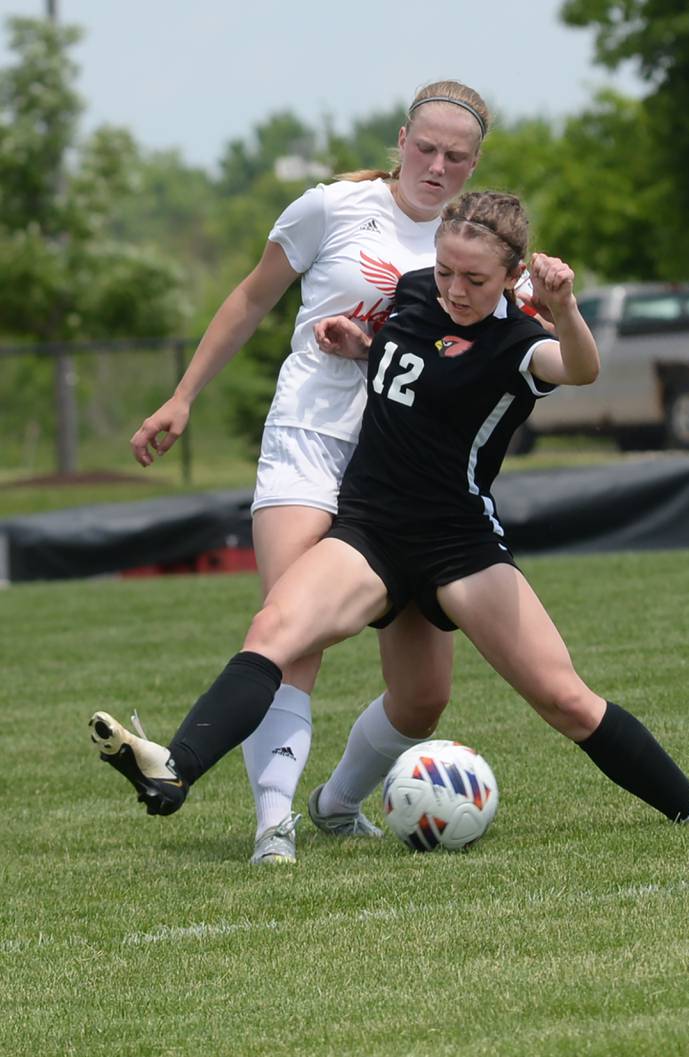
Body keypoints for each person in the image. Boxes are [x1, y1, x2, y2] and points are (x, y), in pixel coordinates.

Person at [89, 190, 689, 833]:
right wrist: (364, 345)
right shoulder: (415, 293)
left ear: (510, 275)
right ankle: (175, 768)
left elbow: (580, 369)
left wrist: (565, 308)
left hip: (458, 544)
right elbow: (416, 364)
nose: (454, 288)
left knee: (560, 701)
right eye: (446, 269)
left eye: (475, 278)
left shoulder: (518, 340)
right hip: (371, 531)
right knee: (273, 629)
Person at [128, 81, 491, 864]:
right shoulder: (328, 207)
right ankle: (273, 824)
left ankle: (335, 802)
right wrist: (182, 397)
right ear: (400, 140)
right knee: (294, 635)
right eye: (424, 148)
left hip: (403, 467)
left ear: (474, 163)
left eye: (455, 156)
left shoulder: (476, 246)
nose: (436, 165)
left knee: (424, 697)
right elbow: (252, 298)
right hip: (309, 438)